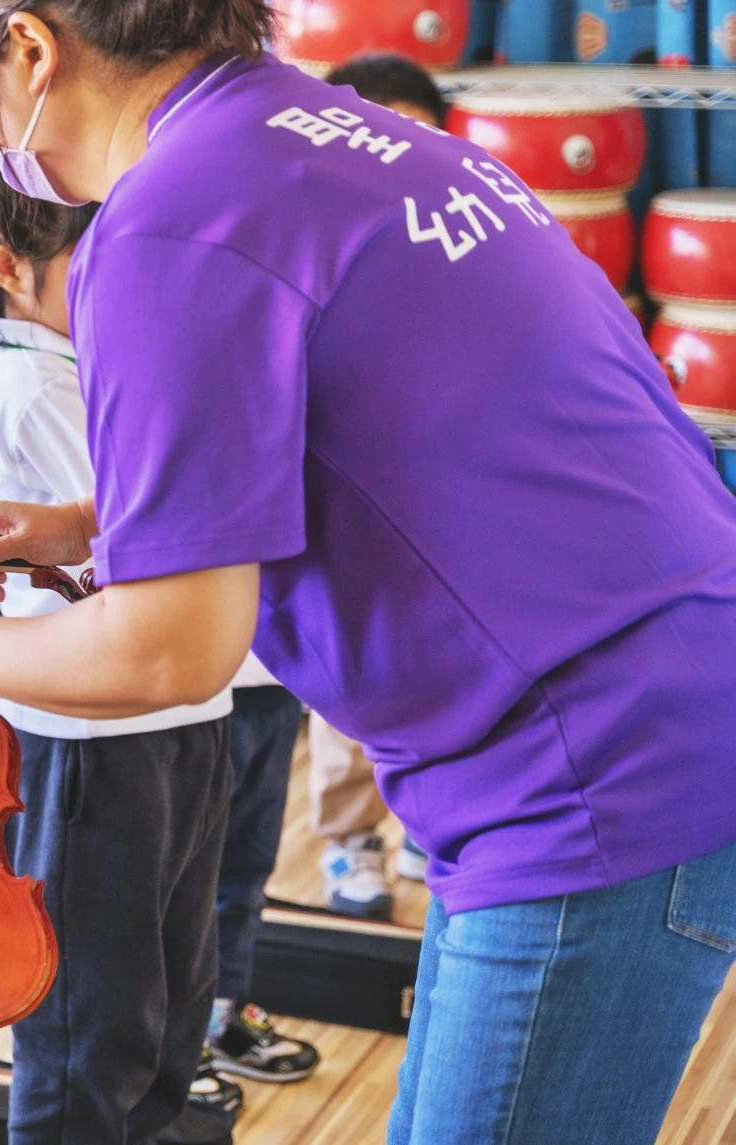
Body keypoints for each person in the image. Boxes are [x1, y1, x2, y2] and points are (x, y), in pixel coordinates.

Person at [0, 0, 736, 1145]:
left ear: (31, 47)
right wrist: (104, 526)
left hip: (592, 772)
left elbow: (177, 649)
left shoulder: (162, 219)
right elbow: (401, 436)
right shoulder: (329, 134)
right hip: (644, 718)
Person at [0, 147, 264, 1143]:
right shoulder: (32, 384)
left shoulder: (103, 363)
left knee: (172, 1002)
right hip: (92, 732)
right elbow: (157, 535)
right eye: (97, 257)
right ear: (12, 268)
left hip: (183, 714)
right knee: (91, 1024)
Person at [297, 53, 448, 919]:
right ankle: (350, 839)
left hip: (437, 504)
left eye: (422, 139)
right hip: (349, 507)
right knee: (348, 684)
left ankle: (430, 821)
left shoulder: (454, 241)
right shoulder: (317, 243)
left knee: (441, 667)